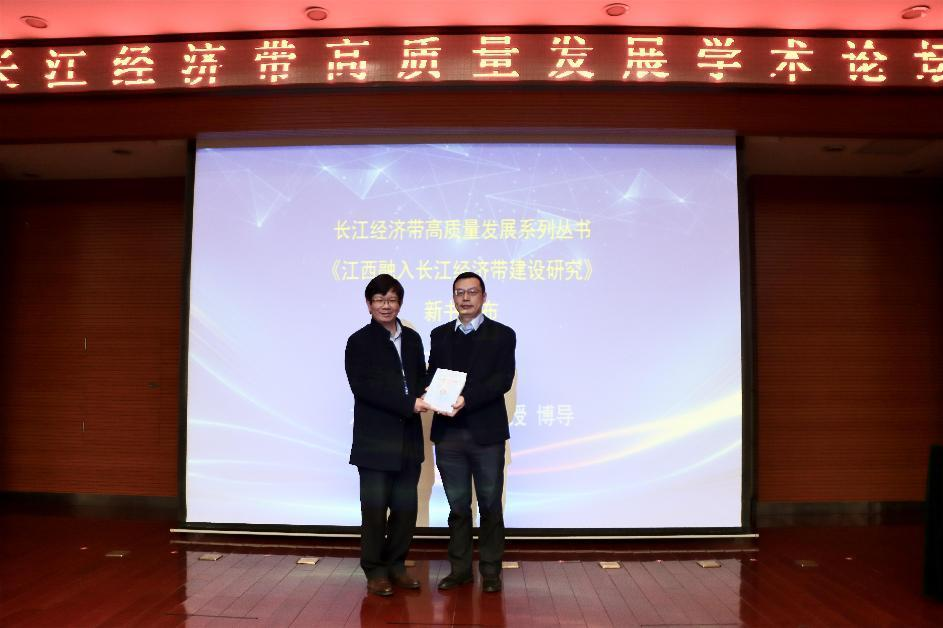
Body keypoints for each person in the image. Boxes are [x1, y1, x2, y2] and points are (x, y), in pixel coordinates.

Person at [427, 271, 516, 593]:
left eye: (472, 292)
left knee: (490, 505)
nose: (465, 298)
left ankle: (491, 571)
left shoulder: (502, 334)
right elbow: (433, 375)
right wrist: (431, 395)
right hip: (448, 434)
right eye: (459, 292)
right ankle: (460, 570)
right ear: (453, 297)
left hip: (486, 435)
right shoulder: (439, 335)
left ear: (484, 297)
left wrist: (466, 398)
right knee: (458, 508)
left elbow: (502, 380)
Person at [345, 274, 430, 596]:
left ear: (400, 303)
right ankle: (375, 570)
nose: (386, 305)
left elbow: (421, 378)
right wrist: (409, 403)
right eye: (379, 300)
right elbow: (363, 388)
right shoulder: (358, 341)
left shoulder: (413, 339)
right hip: (375, 441)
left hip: (408, 440)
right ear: (369, 304)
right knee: (375, 510)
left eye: (392, 299)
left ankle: (396, 565)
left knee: (406, 510)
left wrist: (436, 394)